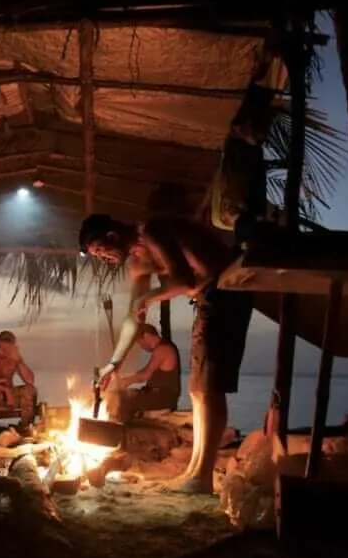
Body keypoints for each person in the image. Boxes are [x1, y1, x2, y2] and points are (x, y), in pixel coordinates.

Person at [78, 212, 252, 495]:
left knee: (209, 388)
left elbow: (183, 279)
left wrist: (149, 298)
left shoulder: (154, 231)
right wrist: (113, 363)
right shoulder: (138, 261)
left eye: (101, 250)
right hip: (207, 298)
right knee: (198, 390)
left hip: (226, 291)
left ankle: (203, 476)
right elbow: (133, 317)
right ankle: (195, 471)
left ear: (112, 236)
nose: (103, 258)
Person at [105, 324, 181, 423]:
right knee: (121, 395)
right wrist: (124, 381)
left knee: (120, 400)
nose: (141, 347)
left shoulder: (163, 349)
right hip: (157, 395)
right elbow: (143, 372)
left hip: (163, 398)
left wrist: (125, 382)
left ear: (146, 336)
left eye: (140, 343)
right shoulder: (162, 348)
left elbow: (145, 375)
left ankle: (118, 432)